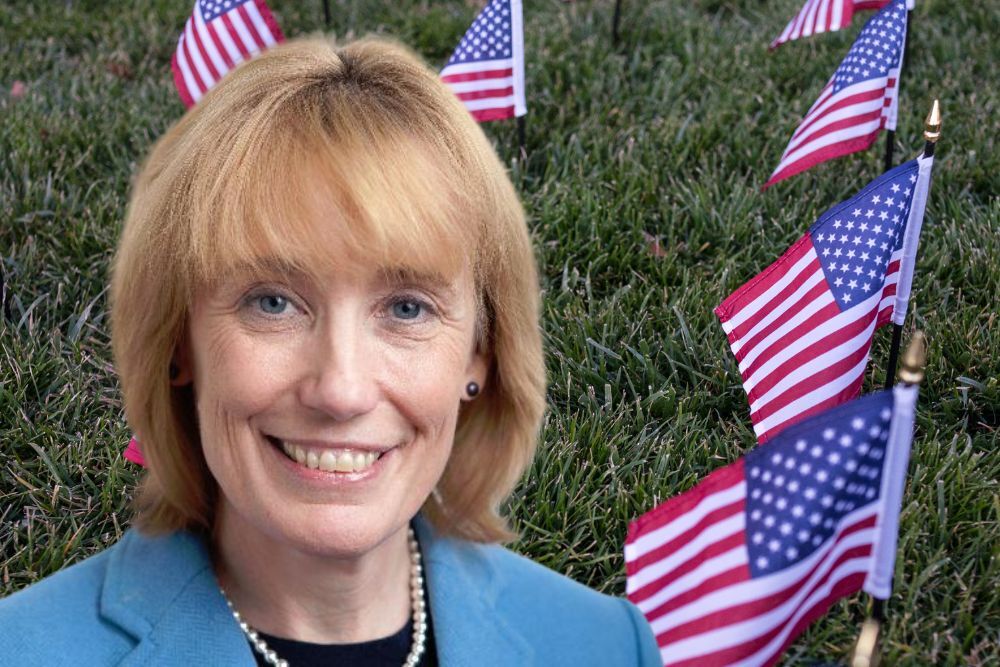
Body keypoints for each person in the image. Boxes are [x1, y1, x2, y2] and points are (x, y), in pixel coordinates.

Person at [0, 36, 660, 666]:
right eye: (273, 302)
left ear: (477, 359)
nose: (341, 390)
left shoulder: (607, 646)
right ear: (180, 344)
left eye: (407, 308)